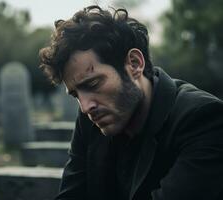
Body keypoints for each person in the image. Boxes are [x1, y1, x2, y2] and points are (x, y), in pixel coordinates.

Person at [39, 5, 223, 200]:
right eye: (76, 95)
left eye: (93, 84)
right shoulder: (90, 119)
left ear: (134, 64)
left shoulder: (203, 119)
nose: (85, 107)